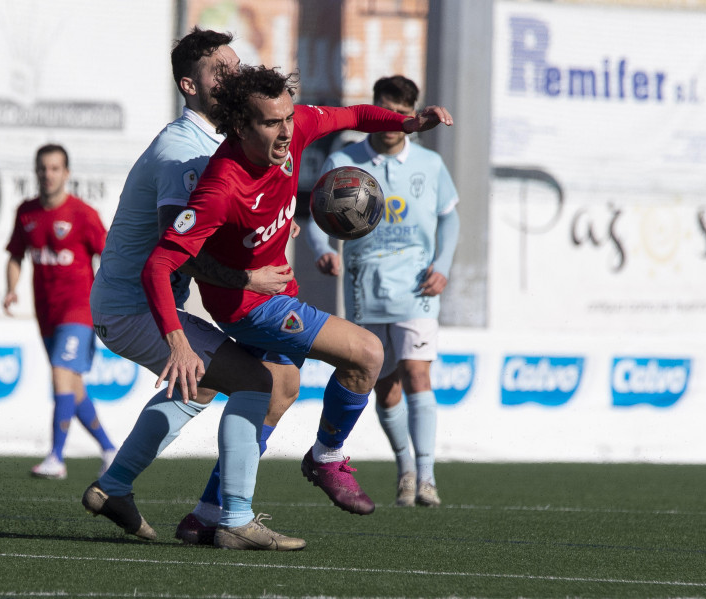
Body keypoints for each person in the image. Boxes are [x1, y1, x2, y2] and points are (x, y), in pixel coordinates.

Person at [140, 65, 453, 525]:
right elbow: (159, 263)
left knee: (278, 394)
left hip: (276, 295)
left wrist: (404, 124)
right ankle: (326, 457)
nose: (286, 130)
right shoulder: (220, 185)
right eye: (271, 122)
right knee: (368, 354)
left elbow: (353, 116)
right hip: (249, 307)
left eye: (288, 117)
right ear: (240, 126)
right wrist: (178, 342)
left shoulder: (297, 125)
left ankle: (207, 513)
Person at [84, 28, 306, 551]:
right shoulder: (183, 150)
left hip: (133, 305)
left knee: (202, 385)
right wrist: (247, 276)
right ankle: (235, 518)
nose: (232, 76)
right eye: (218, 71)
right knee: (259, 383)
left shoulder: (220, 144)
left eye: (235, 65)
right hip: (136, 307)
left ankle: (114, 487)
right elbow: (177, 251)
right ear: (190, 85)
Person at [305, 75, 460, 507]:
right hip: (364, 284)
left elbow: (450, 217)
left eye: (401, 114)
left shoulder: (429, 165)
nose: (392, 122)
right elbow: (313, 213)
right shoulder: (343, 160)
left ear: (410, 115)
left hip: (417, 284)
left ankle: (427, 475)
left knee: (417, 373)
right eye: (385, 111)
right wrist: (323, 249)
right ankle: (405, 468)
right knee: (385, 384)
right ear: (375, 109)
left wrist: (442, 266)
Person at [4, 144, 117, 480]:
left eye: (55, 168)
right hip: (47, 313)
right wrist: (11, 289)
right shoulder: (26, 212)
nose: (48, 174)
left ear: (66, 173)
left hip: (80, 310)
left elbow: (109, 256)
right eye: (42, 168)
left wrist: (110, 299)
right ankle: (111, 450)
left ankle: (56, 457)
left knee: (59, 372)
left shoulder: (82, 214)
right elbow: (14, 255)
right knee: (73, 385)